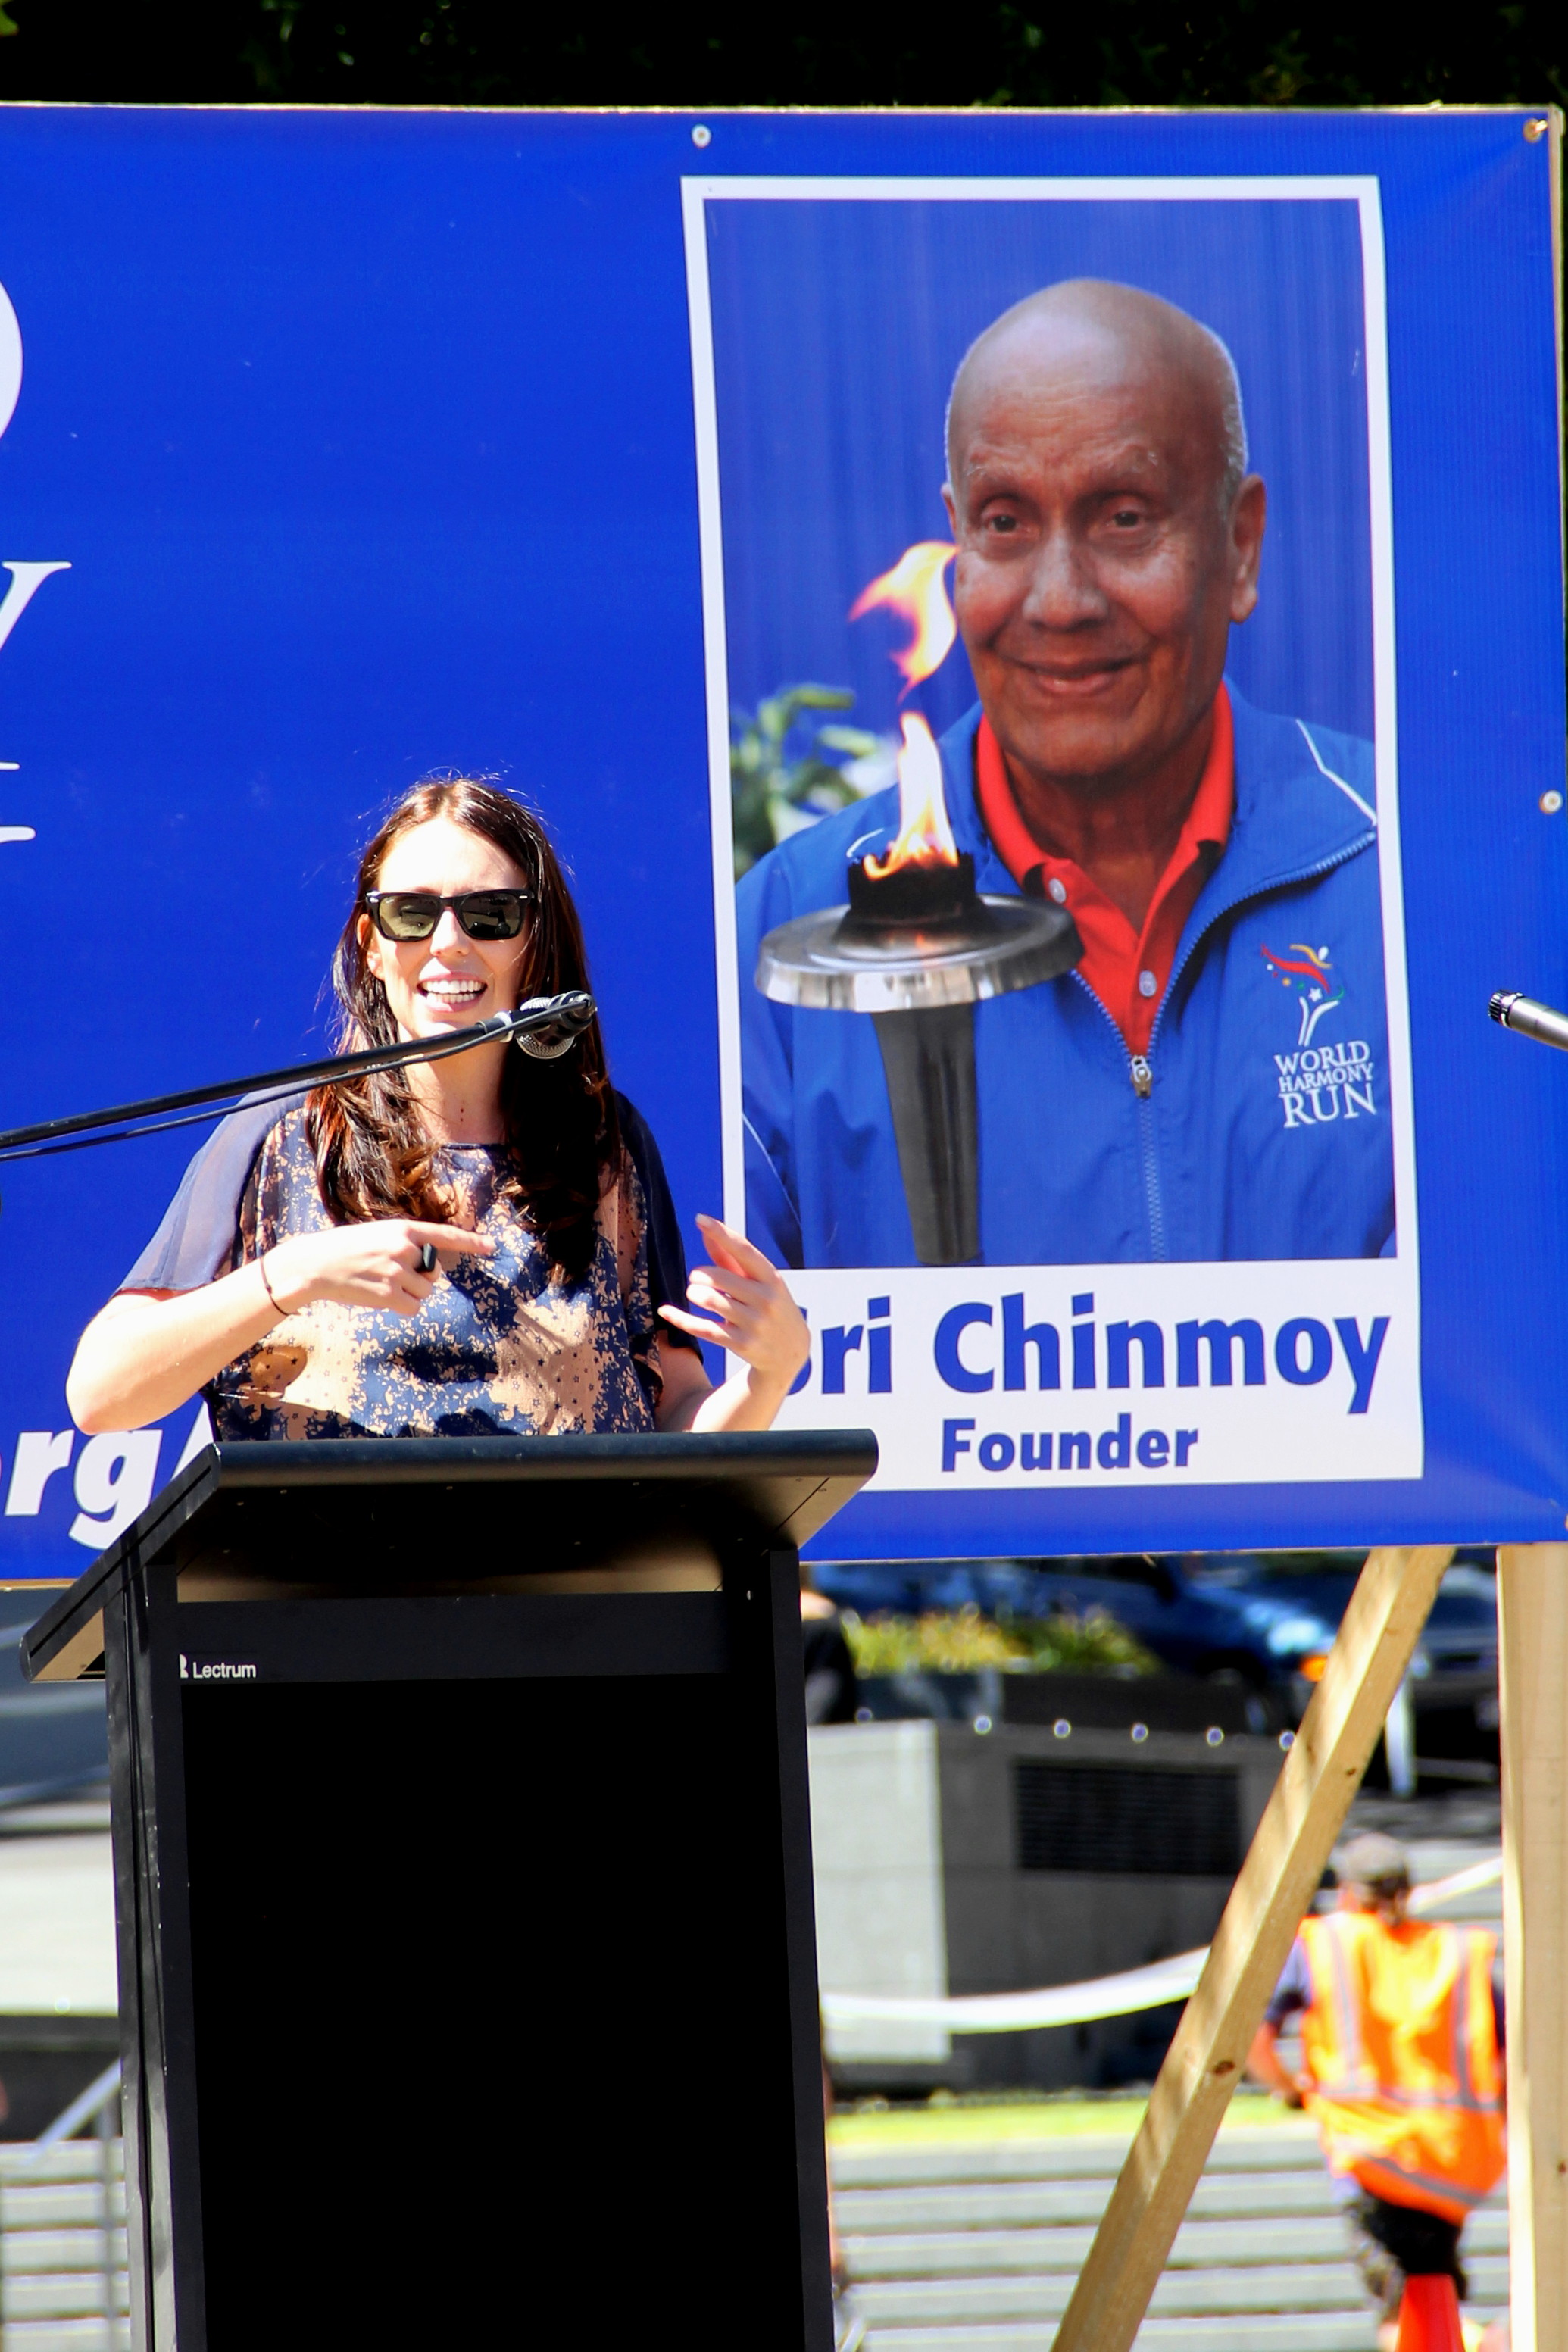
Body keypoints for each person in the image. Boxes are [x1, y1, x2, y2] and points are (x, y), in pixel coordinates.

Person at [738, 278, 1395, 1267]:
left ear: (1240, 546)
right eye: (1004, 522)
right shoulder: (786, 933)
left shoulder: (1399, 871)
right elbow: (694, 1384)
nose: (1058, 601)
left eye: (1123, 517)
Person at [67, 776, 808, 1441]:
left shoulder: (603, 1141)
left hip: (566, 1586)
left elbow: (676, 1420)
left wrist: (768, 1376)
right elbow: (101, 1393)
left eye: (489, 915)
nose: (449, 944)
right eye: (412, 915)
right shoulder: (284, 1130)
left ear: (535, 943)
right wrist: (285, 1278)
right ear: (373, 945)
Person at [1247, 1830, 1506, 2352]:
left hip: (1372, 2159)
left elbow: (1255, 2041)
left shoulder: (1325, 1943)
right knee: (1430, 2287)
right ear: (1408, 1891)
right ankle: (1475, 2340)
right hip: (1453, 2165)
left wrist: (1288, 2087)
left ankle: (1485, 2345)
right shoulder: (1454, 1951)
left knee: (1396, 2305)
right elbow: (1502, 2055)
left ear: (1346, 1893)